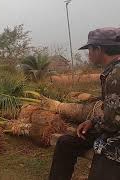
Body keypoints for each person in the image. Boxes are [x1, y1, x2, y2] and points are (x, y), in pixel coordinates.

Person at [49, 27, 120, 180]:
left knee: (103, 159)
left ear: (98, 50)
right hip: (111, 130)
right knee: (66, 143)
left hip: (116, 139)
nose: (88, 54)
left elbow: (113, 123)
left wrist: (96, 125)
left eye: (89, 49)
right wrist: (92, 121)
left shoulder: (116, 75)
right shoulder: (111, 71)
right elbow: (112, 110)